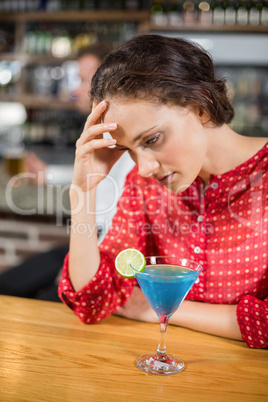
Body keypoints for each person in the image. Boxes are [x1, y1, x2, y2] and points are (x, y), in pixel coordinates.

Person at [58, 34, 268, 349]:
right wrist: (83, 192)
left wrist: (154, 308)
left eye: (152, 139)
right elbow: (93, 302)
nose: (142, 168)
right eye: (129, 149)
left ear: (201, 105)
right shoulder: (145, 185)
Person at [0, 43, 134, 301]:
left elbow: (119, 219)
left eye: (83, 80)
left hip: (104, 254)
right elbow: (98, 176)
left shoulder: (129, 141)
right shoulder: (107, 135)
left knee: (38, 302)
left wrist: (77, 268)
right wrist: (48, 173)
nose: (74, 90)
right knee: (7, 285)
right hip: (90, 246)